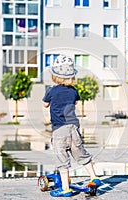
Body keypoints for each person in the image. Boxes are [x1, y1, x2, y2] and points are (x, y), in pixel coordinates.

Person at [42, 54, 101, 197]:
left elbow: (45, 104)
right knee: (81, 154)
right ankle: (94, 177)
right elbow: (75, 103)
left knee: (62, 159)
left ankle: (66, 188)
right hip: (74, 128)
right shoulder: (74, 91)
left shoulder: (51, 90)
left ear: (54, 75)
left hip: (59, 130)